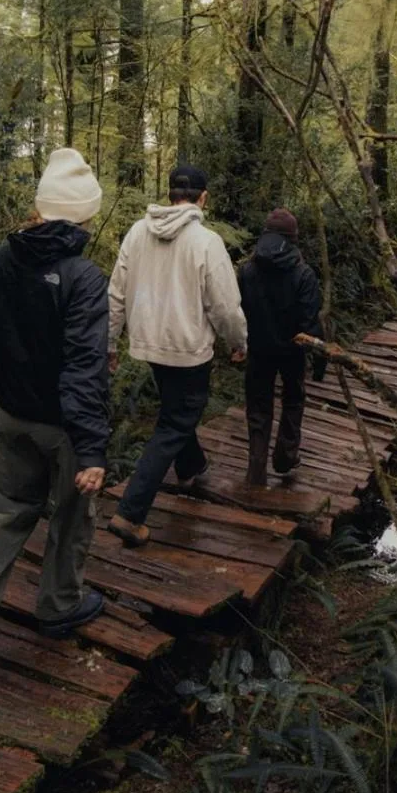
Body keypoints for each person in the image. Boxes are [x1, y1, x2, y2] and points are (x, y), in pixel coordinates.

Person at [0, 148, 111, 661]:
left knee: (10, 513)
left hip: (11, 414)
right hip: (60, 424)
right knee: (72, 516)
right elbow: (83, 368)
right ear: (84, 213)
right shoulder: (83, 278)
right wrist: (92, 449)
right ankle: (59, 607)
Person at [105, 164, 247, 546]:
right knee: (174, 423)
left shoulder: (137, 233)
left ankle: (192, 467)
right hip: (188, 350)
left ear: (170, 195)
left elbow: (115, 293)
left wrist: (108, 343)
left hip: (149, 344)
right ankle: (130, 514)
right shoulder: (206, 241)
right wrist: (238, 341)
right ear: (203, 198)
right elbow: (226, 306)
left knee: (175, 411)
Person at [238, 208, 326, 487]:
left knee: (258, 407)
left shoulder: (247, 271)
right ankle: (286, 457)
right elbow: (310, 322)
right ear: (293, 238)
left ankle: (256, 469)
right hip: (293, 351)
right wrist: (320, 361)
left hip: (258, 349)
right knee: (293, 399)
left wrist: (238, 343)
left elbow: (235, 311)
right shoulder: (303, 274)